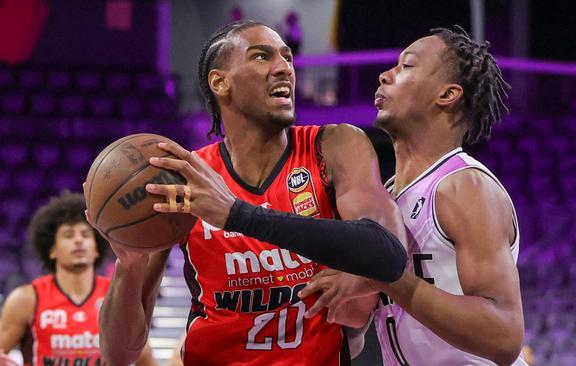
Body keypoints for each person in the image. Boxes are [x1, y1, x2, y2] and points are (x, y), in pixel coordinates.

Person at [95, 20, 407, 366]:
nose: (284, 68)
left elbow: (389, 253)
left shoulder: (334, 145)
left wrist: (358, 276)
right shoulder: (185, 177)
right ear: (220, 82)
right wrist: (130, 264)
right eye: (262, 56)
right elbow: (118, 356)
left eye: (287, 58)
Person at [300, 26, 528, 365]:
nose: (385, 75)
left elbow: (504, 335)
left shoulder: (463, 185)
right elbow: (361, 324)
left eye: (406, 66)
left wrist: (389, 280)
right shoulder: (384, 199)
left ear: (447, 94)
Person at [0, 191, 156, 366]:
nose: (78, 241)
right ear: (51, 250)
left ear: (97, 248)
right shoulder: (26, 299)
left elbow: (145, 360)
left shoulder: (118, 295)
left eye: (85, 234)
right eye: (68, 235)